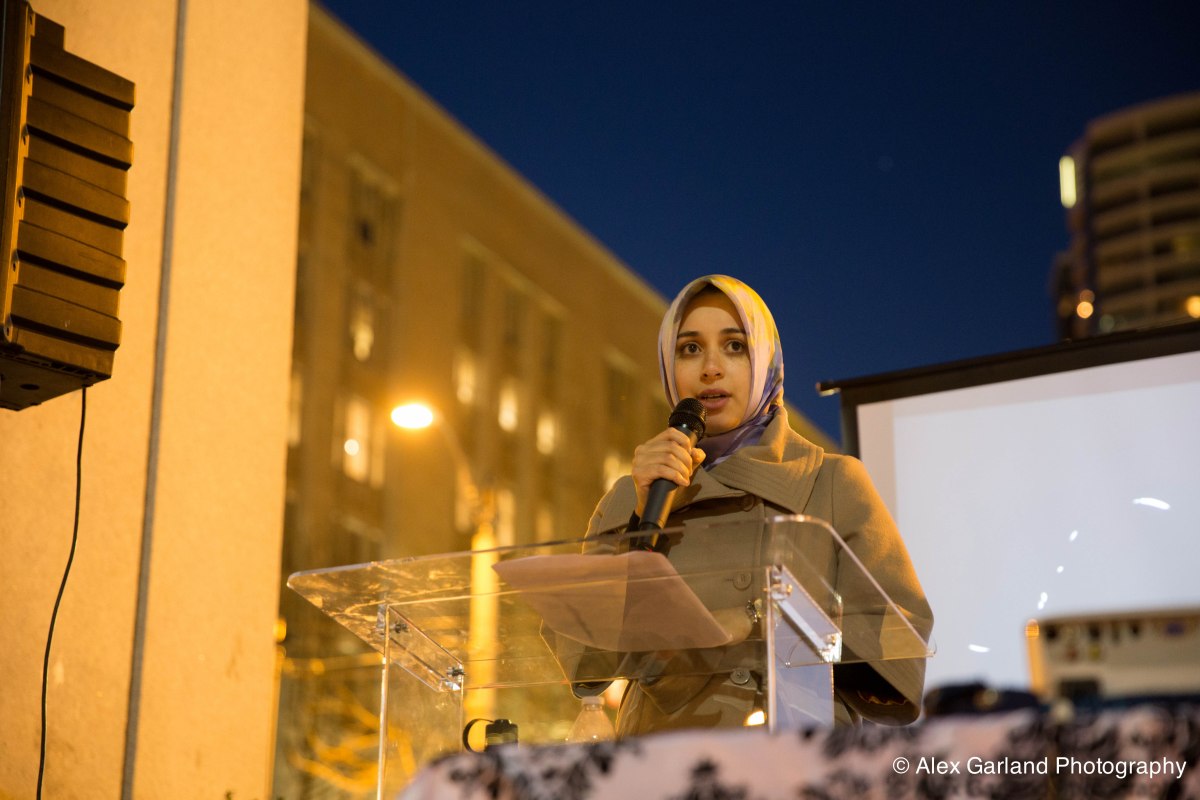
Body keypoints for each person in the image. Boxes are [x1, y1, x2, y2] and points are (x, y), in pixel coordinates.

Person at [580, 274, 933, 734]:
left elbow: (899, 635)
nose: (710, 368)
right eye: (690, 348)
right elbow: (584, 656)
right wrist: (638, 523)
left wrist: (760, 621)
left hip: (791, 747)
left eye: (735, 346)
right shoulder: (633, 494)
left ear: (766, 361)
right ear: (668, 366)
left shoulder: (829, 481)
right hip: (657, 753)